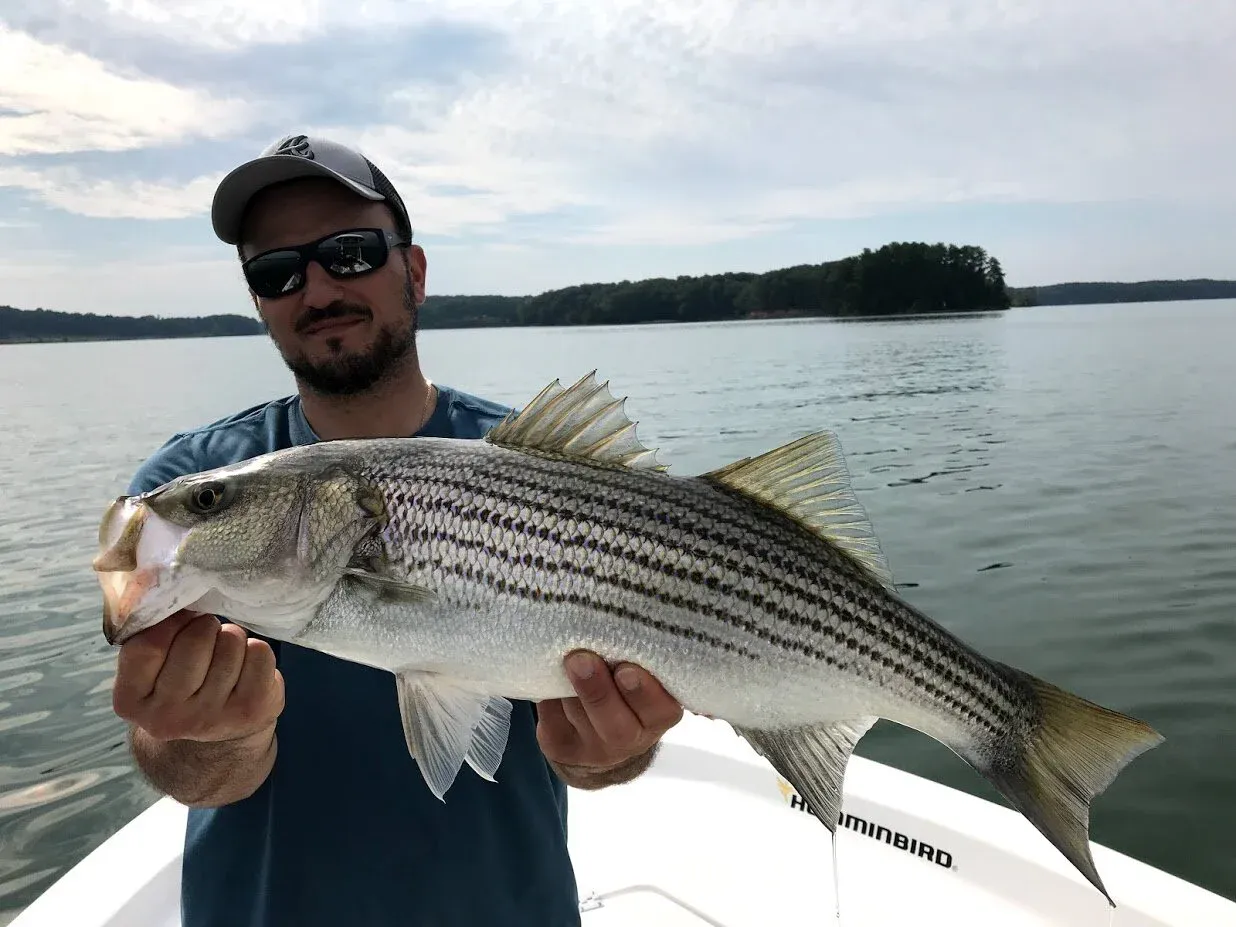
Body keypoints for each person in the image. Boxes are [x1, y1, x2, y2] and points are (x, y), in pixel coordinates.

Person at [110, 133, 685, 927]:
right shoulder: (184, 491)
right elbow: (170, 755)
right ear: (259, 302)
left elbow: (607, 749)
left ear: (413, 272)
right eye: (275, 272)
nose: (314, 289)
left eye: (348, 253)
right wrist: (212, 743)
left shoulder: (543, 466)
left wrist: (612, 750)